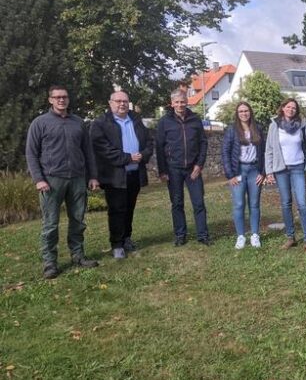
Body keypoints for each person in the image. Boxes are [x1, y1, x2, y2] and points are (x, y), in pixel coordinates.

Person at [25, 86, 100, 279]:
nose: (61, 100)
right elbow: (31, 154)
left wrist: (92, 176)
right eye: (57, 97)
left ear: (68, 99)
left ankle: (78, 255)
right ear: (50, 100)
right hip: (51, 180)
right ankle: (50, 263)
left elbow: (88, 152)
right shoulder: (40, 123)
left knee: (78, 220)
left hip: (77, 178)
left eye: (64, 97)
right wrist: (38, 179)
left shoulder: (78, 123)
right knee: (50, 223)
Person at [90, 90, 153, 259]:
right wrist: (127, 158)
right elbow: (102, 148)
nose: (122, 104)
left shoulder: (136, 120)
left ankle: (127, 238)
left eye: (125, 101)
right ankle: (116, 244)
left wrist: (143, 155)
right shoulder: (101, 123)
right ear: (110, 103)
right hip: (115, 175)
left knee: (129, 208)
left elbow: (148, 142)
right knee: (117, 210)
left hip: (134, 173)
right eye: (118, 101)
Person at [156, 90, 210, 246]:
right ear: (172, 103)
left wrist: (199, 165)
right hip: (173, 170)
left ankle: (203, 235)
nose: (180, 105)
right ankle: (180, 235)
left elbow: (203, 143)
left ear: (187, 102)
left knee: (199, 203)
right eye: (177, 102)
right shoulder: (164, 122)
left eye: (182, 101)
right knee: (177, 203)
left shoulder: (195, 120)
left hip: (193, 169)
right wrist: (162, 171)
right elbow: (159, 147)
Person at [265, 98, 306, 254]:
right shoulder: (274, 126)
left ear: (296, 111)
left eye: (294, 108)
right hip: (281, 169)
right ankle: (290, 237)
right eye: (288, 107)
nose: (291, 109)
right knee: (286, 203)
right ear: (282, 108)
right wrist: (269, 171)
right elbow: (268, 150)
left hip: (298, 168)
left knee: (302, 204)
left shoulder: (302, 125)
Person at [222, 101, 266, 249]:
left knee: (254, 204)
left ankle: (255, 235)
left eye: (246, 111)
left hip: (255, 170)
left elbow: (265, 152)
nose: (244, 113)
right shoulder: (231, 130)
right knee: (239, 204)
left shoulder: (258, 128)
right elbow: (225, 153)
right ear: (237, 113)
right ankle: (241, 236)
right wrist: (230, 175)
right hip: (238, 171)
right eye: (241, 111)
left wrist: (263, 172)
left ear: (250, 112)